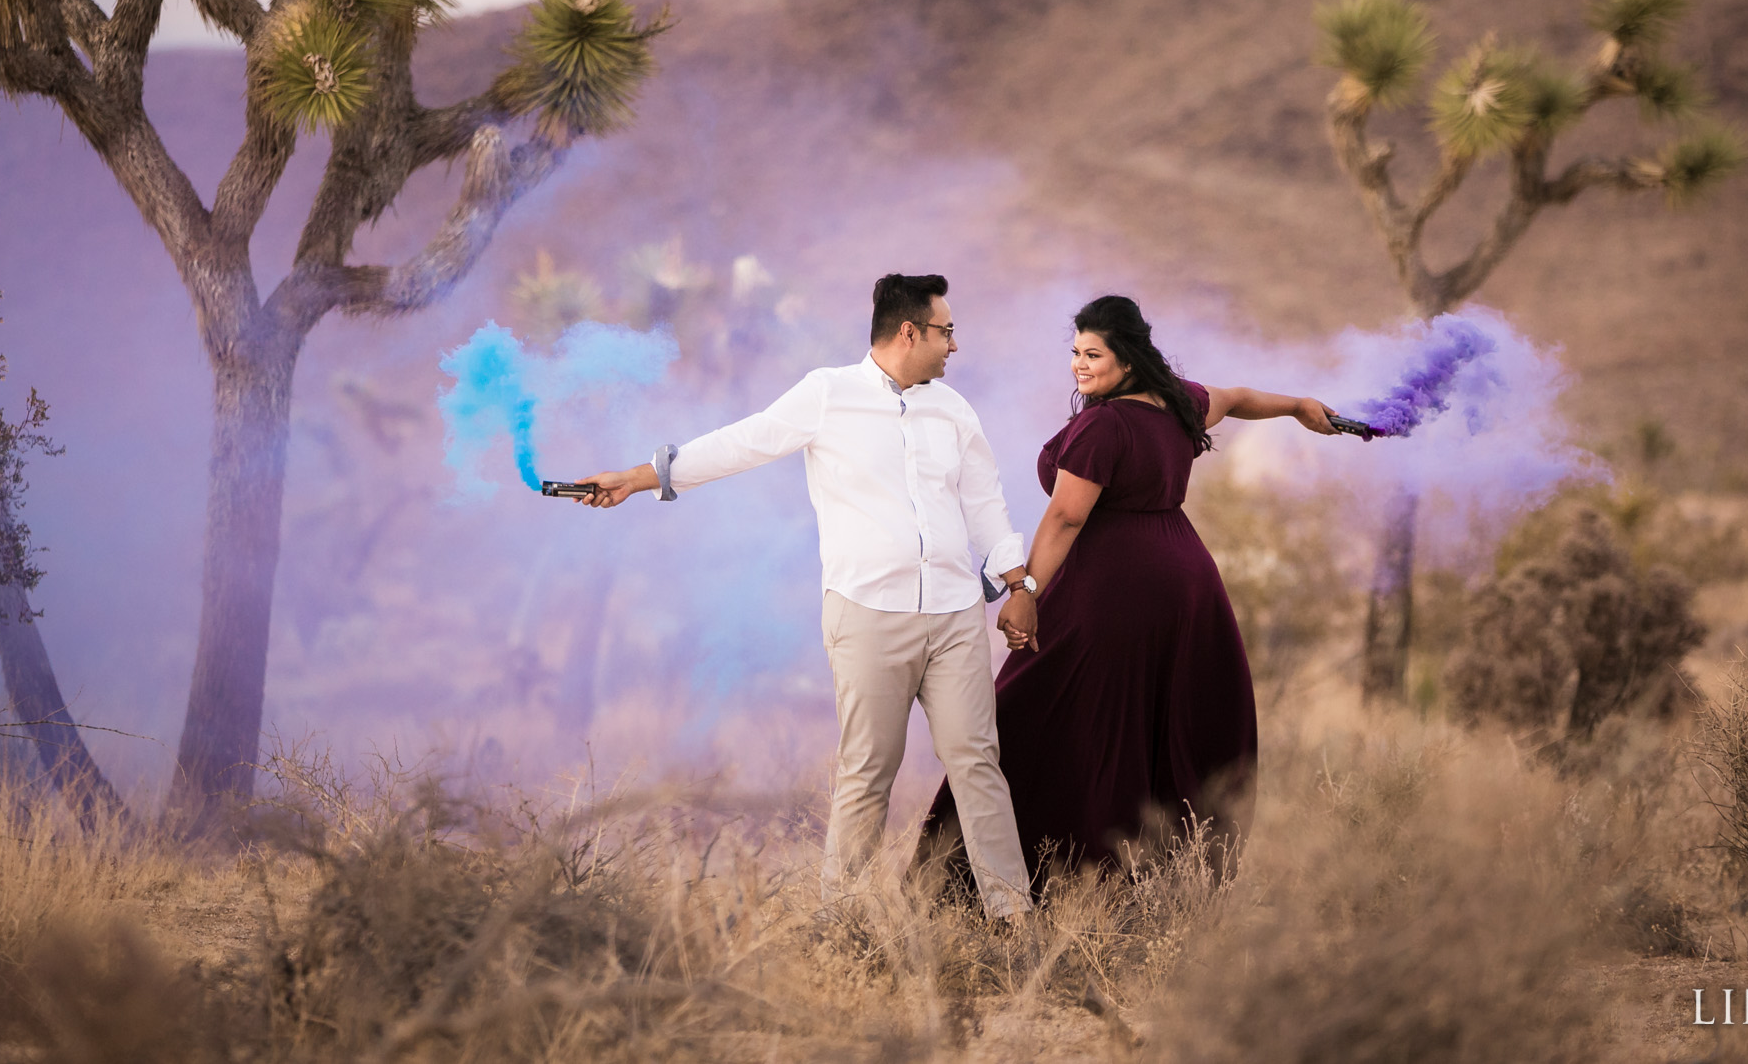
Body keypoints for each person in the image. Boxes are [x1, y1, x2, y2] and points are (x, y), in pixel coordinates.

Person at [574, 274, 1040, 919]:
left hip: (957, 614)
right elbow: (744, 442)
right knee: (867, 772)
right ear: (910, 332)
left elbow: (985, 503)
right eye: (946, 331)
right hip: (869, 614)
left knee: (978, 764)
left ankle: (1011, 917)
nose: (954, 345)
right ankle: (842, 922)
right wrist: (637, 476)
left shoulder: (953, 410)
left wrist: (1017, 584)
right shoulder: (829, 394)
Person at [920, 294, 1345, 894]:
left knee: (1032, 711)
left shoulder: (1105, 425)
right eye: (1075, 353)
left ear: (1127, 358)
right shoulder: (1179, 399)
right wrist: (1299, 406)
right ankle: (1154, 877)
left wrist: (1025, 593)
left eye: (1093, 354)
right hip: (1187, 581)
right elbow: (1240, 398)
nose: (1079, 366)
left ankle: (994, 882)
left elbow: (1066, 519)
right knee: (1153, 719)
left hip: (1112, 586)